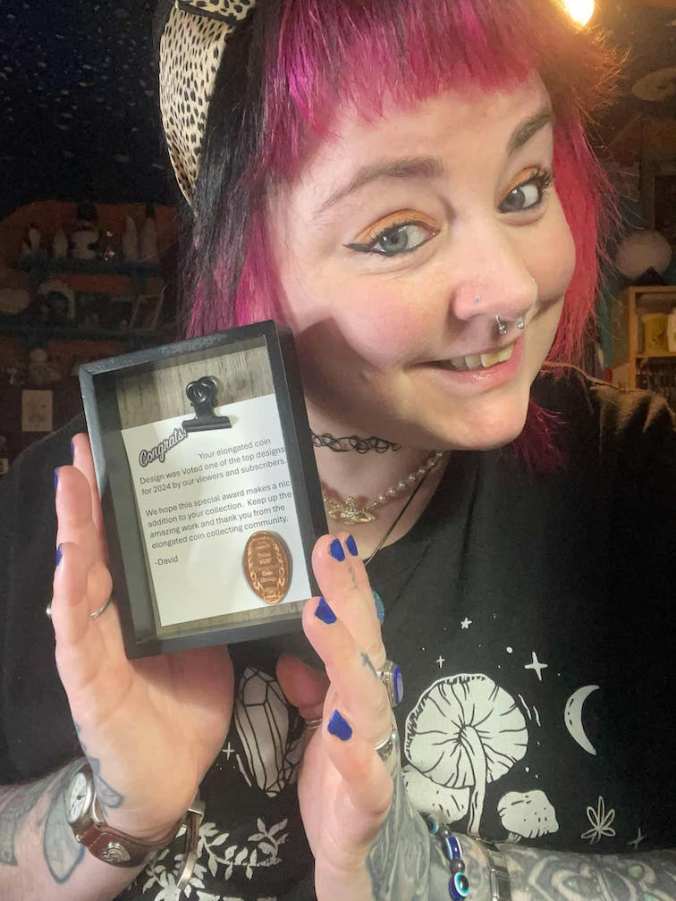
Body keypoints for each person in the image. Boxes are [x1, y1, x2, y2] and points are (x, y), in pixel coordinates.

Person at [1, 1, 675, 899]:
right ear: (246, 259)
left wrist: (423, 872)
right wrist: (114, 810)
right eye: (397, 232)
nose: (512, 289)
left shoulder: (637, 477)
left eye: (523, 189)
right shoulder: (64, 506)